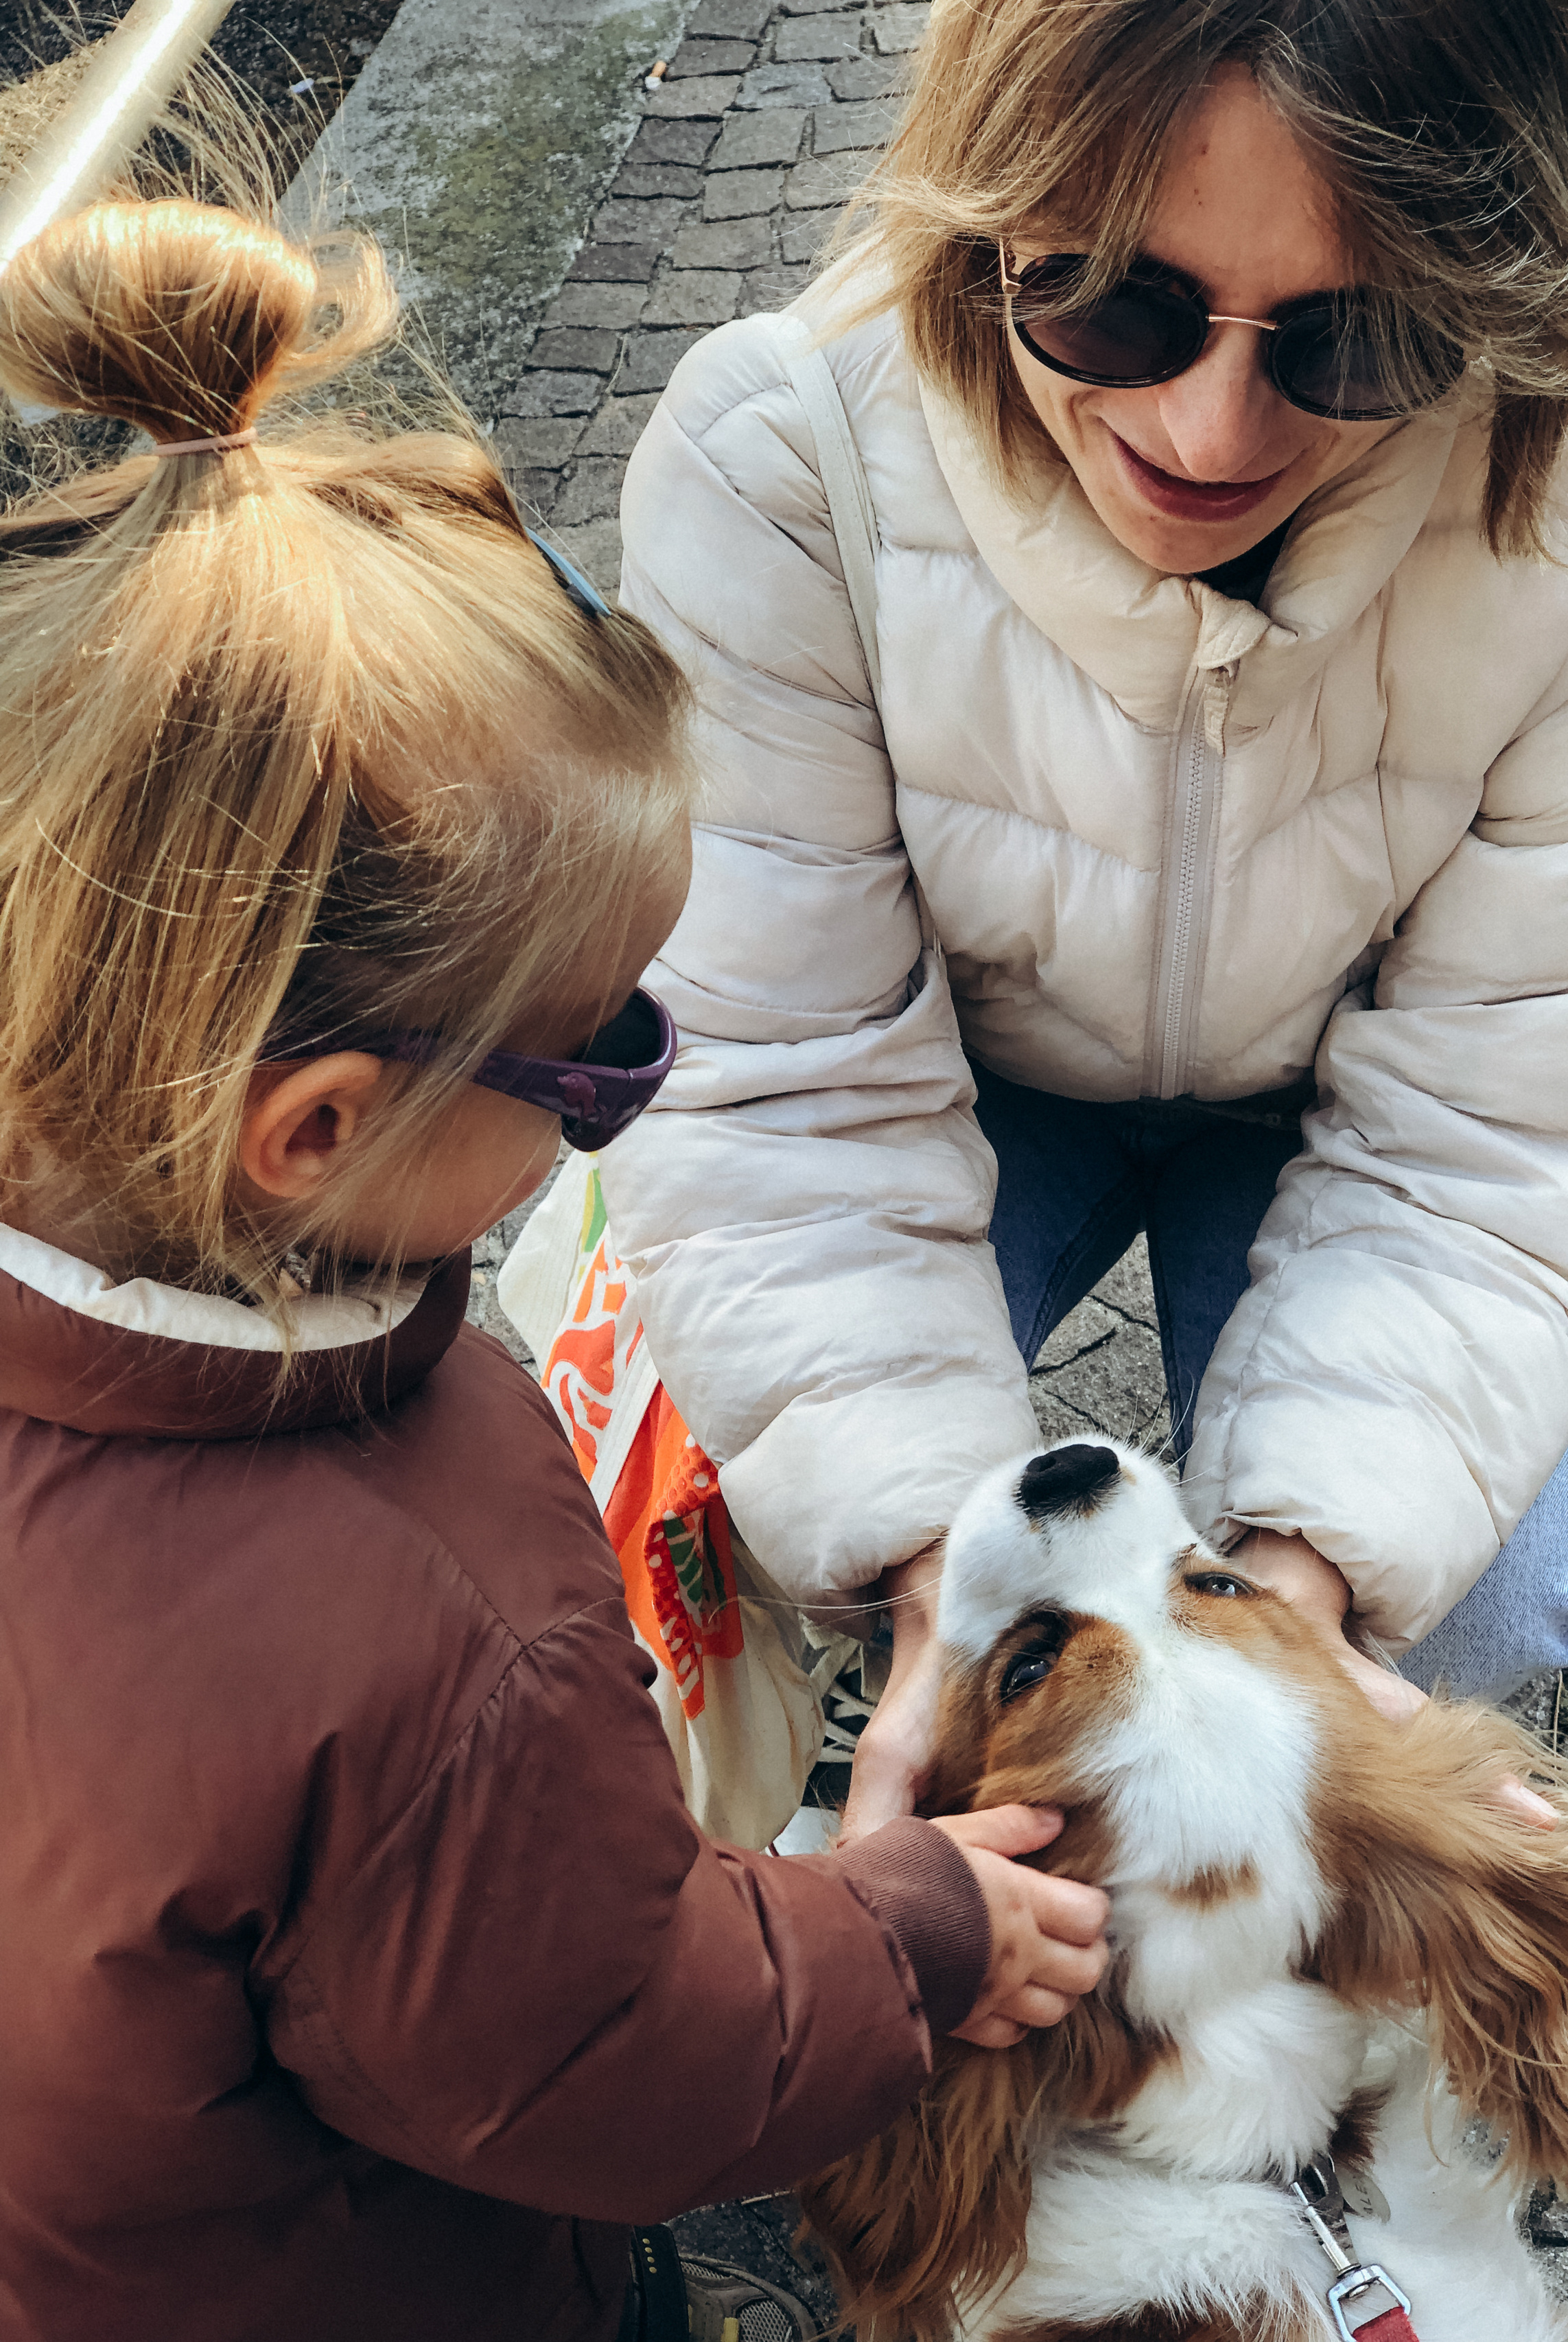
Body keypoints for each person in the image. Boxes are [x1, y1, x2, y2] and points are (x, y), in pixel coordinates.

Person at [0, 189, 1111, 2342]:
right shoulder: (431, 1639)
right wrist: (908, 1932)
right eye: (605, 1046)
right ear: (315, 1130)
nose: (640, 1081)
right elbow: (618, 2057)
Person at [597, 0, 1568, 1834]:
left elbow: (1513, 1126)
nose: (1209, 429)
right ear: (986, 216)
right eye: (1111, 304)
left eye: (1361, 340)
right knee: (709, 1514)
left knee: (1468, 1609)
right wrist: (962, 1602)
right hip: (942, 1063)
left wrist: (1283, 1622)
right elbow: (781, 1080)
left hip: (1356, 1090)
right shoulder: (781, 455)